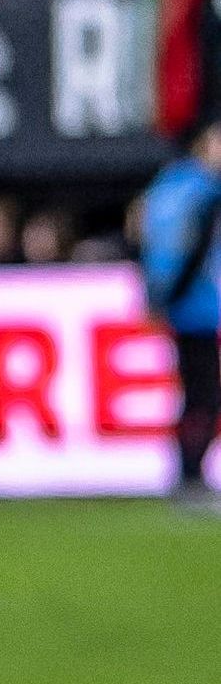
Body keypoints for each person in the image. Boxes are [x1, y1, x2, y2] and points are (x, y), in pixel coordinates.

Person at [140, 110, 221, 505]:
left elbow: (148, 240)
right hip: (197, 306)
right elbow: (196, 249)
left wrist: (158, 298)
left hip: (177, 302)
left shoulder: (167, 186)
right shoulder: (205, 192)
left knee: (194, 393)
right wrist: (176, 294)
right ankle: (190, 477)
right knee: (204, 395)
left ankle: (188, 474)